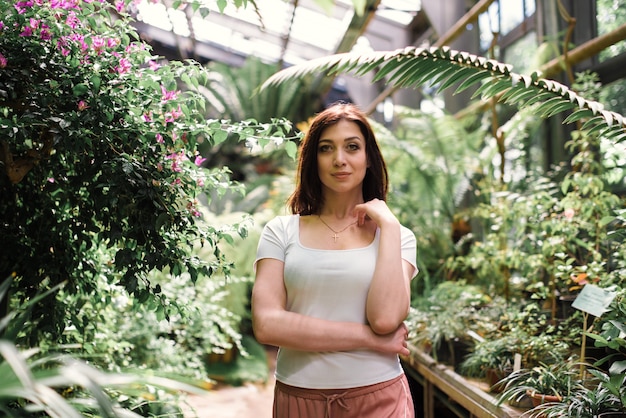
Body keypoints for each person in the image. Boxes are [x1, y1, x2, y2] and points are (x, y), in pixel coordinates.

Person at [251, 102, 418, 418]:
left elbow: (385, 319)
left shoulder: (397, 236)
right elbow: (267, 324)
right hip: (300, 399)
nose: (339, 159)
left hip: (380, 398)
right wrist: (369, 339)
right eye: (326, 148)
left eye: (352, 147)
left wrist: (391, 227)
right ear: (313, 160)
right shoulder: (281, 232)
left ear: (368, 158)